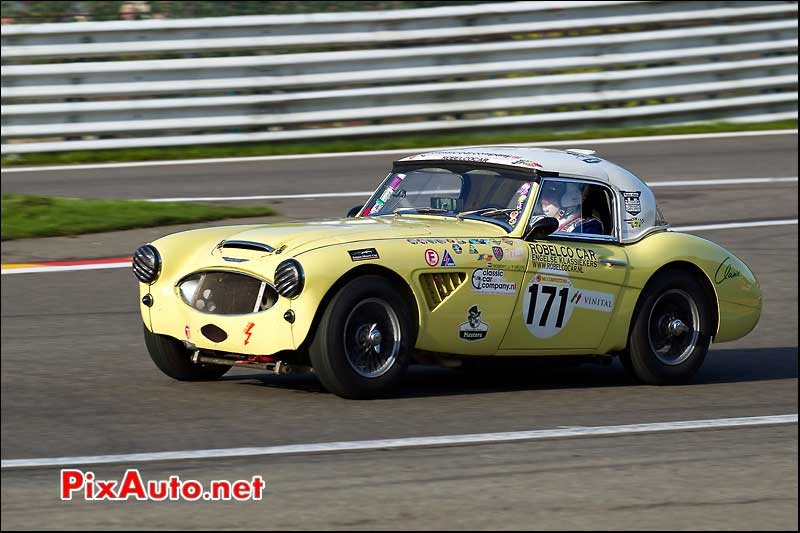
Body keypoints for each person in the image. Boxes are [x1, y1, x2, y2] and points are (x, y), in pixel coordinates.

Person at [537, 181, 604, 234]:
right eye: (543, 191)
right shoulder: (535, 218)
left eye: (552, 191)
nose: (543, 197)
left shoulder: (587, 227)